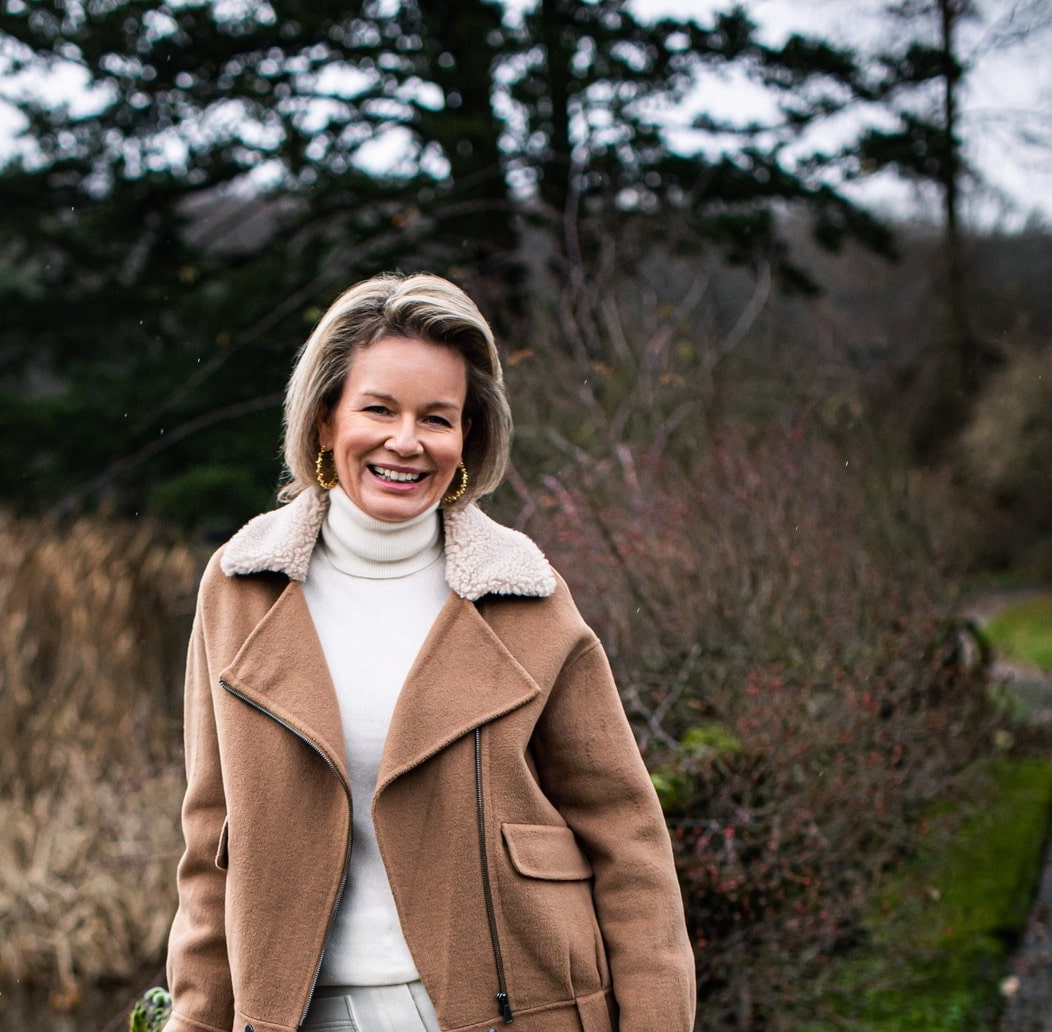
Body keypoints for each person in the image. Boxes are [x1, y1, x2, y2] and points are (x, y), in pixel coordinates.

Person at [165, 273, 696, 1032]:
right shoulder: (239, 588)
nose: (406, 442)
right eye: (378, 409)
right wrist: (196, 1020)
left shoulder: (527, 596)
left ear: (468, 437)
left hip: (518, 1012)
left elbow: (627, 840)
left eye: (436, 418)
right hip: (304, 1015)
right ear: (324, 421)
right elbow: (210, 842)